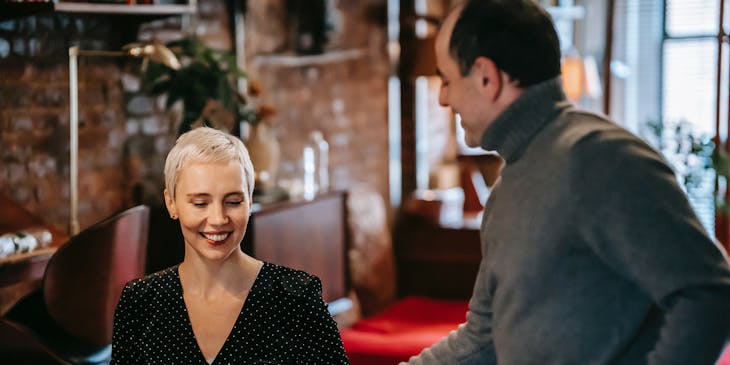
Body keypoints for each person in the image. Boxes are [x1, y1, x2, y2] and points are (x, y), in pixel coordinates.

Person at [404, 1, 730, 364]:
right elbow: (484, 338)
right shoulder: (508, 186)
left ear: (486, 77)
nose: (443, 97)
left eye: (447, 80)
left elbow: (707, 293)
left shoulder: (601, 159)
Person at [111, 127, 349, 364]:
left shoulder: (297, 299)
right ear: (171, 203)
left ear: (250, 201)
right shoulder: (140, 303)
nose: (218, 219)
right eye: (200, 203)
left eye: (233, 202)